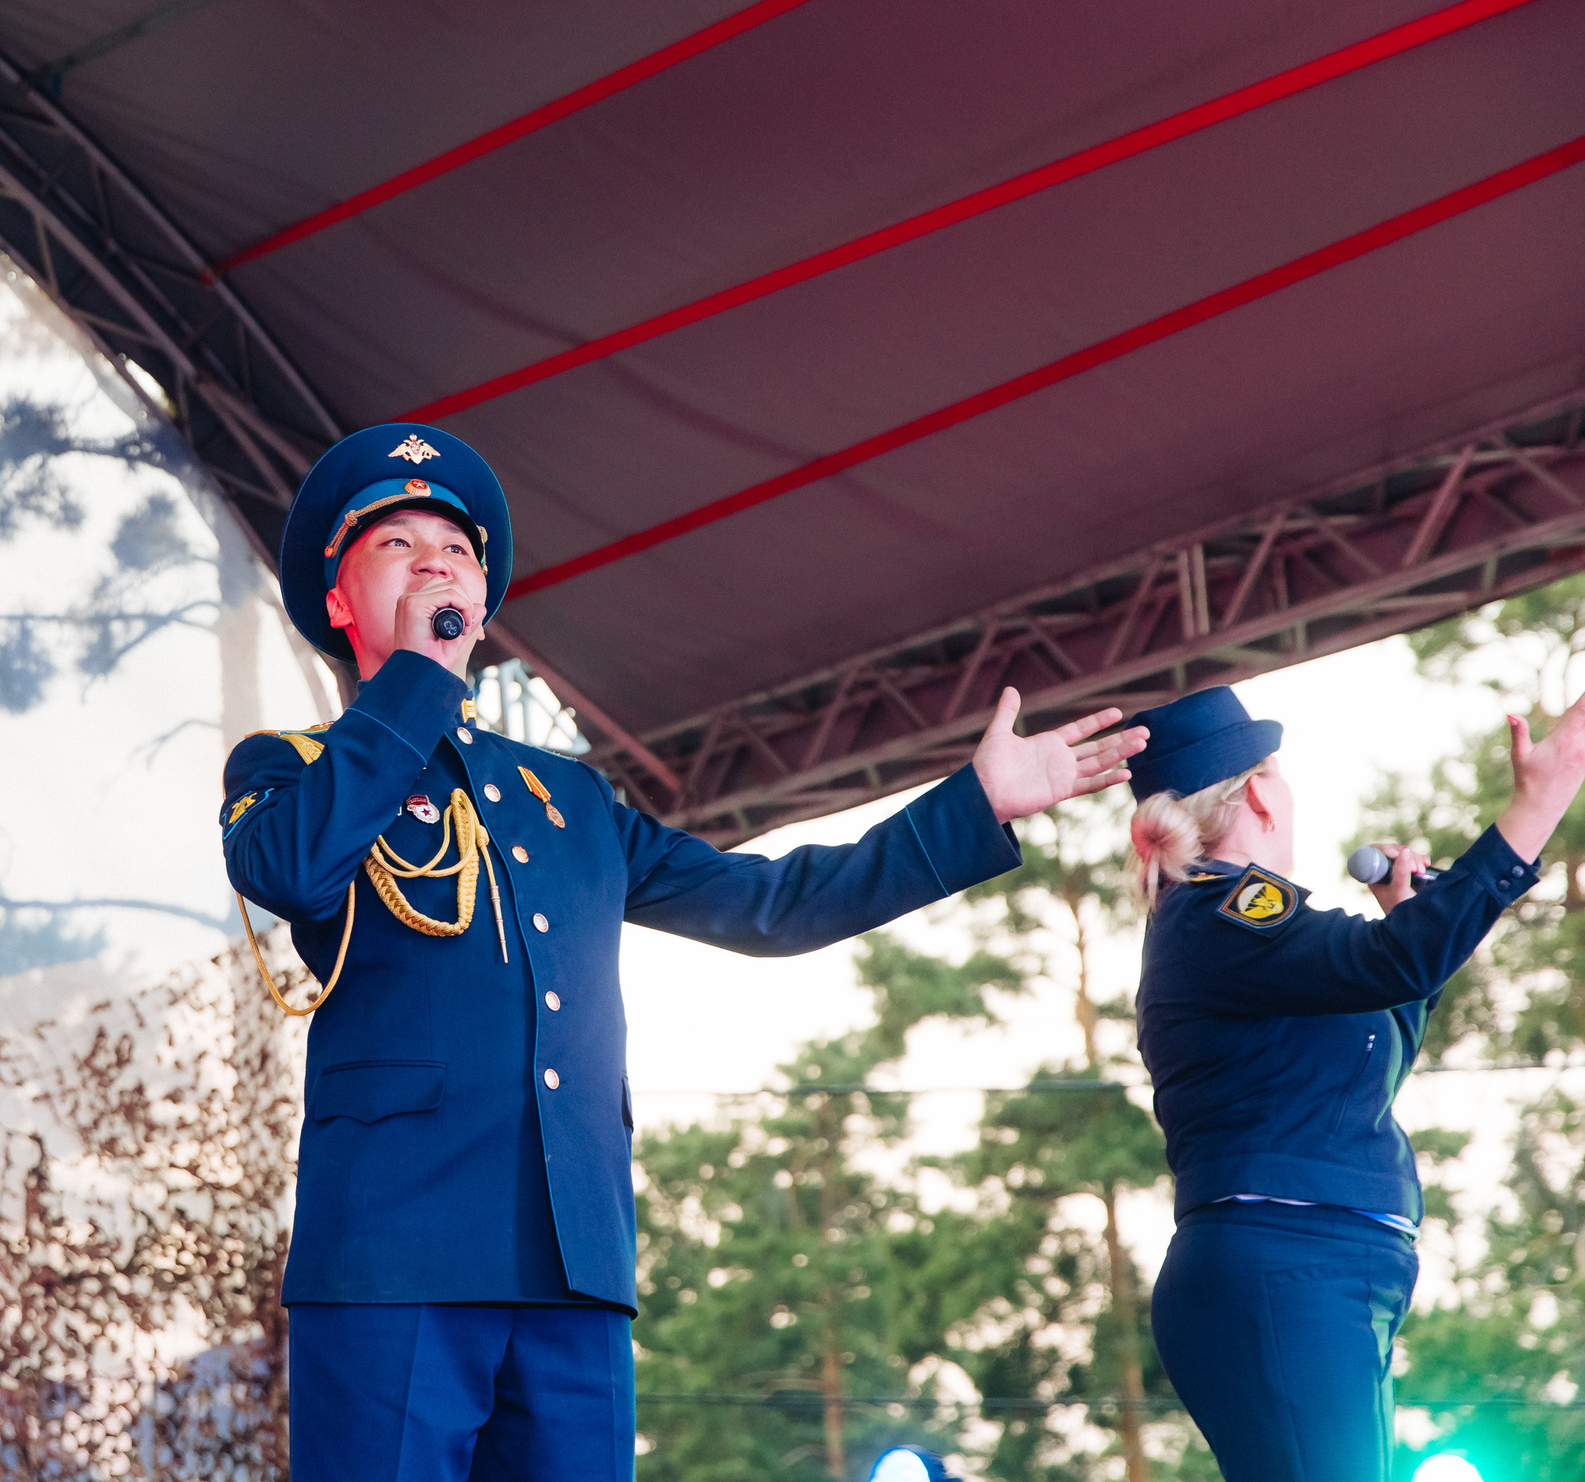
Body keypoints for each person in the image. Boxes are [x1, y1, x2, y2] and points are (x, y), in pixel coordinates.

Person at [220, 424, 1146, 1481]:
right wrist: (413, 686)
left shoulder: (565, 798)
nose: (437, 557)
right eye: (399, 543)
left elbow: (774, 905)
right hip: (394, 1257)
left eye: (456, 546)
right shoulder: (290, 768)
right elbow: (293, 870)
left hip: (574, 1267)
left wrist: (969, 806)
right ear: (337, 598)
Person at [1127, 685, 1585, 1480]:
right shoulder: (1220, 910)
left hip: (1326, 1269)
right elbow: (1387, 961)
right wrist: (1535, 807)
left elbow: (1374, 1041)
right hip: (1287, 1265)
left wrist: (1409, 927)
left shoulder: (1238, 934)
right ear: (1262, 791)